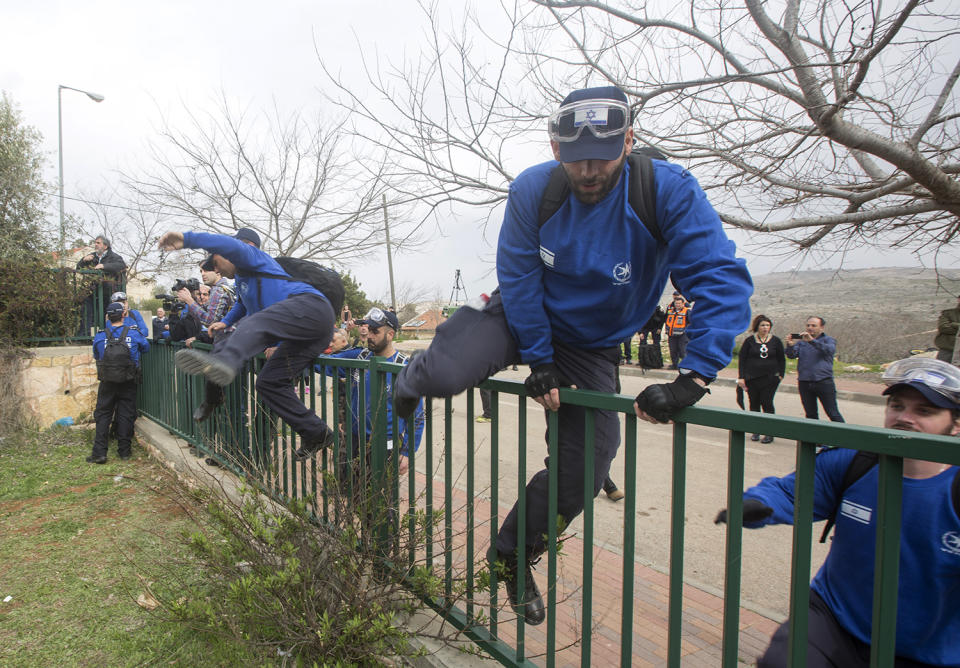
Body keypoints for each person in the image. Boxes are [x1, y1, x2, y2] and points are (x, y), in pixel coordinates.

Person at [391, 85, 753, 625]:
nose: (589, 171)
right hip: (521, 315)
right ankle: (412, 377)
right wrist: (539, 361)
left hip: (594, 343)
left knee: (586, 470)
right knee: (446, 373)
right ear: (555, 147)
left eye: (602, 158)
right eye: (575, 158)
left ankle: (513, 552)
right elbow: (519, 274)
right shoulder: (534, 188)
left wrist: (695, 375)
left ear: (628, 142)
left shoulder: (667, 189)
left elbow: (719, 277)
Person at [716, 356, 960, 667]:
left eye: (925, 411)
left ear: (956, 424)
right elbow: (789, 491)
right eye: (897, 406)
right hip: (835, 619)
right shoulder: (856, 462)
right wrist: (757, 505)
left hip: (927, 650)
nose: (904, 418)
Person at [156, 229, 337, 454]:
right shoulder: (242, 279)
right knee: (268, 382)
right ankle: (316, 432)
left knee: (252, 324)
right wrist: (225, 321)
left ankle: (226, 365)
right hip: (303, 333)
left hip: (311, 309)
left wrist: (187, 240)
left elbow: (229, 246)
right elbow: (242, 304)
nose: (216, 268)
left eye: (216, 261)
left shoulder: (253, 257)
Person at [302, 308, 424, 475]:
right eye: (369, 329)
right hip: (354, 440)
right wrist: (296, 351)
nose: (369, 335)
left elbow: (416, 416)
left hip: (385, 444)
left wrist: (407, 452)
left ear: (390, 335)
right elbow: (324, 363)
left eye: (375, 331)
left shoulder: (403, 368)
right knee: (349, 491)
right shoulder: (359, 357)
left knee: (379, 495)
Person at [88, 302, 150, 463]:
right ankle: (124, 452)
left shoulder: (100, 336)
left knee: (103, 415)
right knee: (126, 414)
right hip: (129, 380)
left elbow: (96, 355)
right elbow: (146, 347)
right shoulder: (134, 334)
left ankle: (99, 453)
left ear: (107, 316)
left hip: (107, 381)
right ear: (124, 315)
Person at [785, 316, 845, 424]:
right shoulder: (801, 342)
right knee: (810, 414)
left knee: (832, 413)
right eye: (808, 325)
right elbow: (791, 355)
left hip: (823, 382)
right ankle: (814, 440)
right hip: (805, 382)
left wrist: (812, 341)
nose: (810, 328)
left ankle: (843, 438)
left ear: (821, 328)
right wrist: (789, 345)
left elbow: (829, 350)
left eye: (813, 325)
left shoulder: (828, 340)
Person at [737, 314, 786, 443]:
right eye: (762, 325)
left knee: (767, 402)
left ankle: (769, 432)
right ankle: (756, 430)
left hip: (770, 378)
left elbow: (781, 359)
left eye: (767, 325)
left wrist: (781, 374)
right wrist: (741, 377)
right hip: (752, 378)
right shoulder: (749, 341)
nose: (765, 328)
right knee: (754, 403)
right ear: (757, 327)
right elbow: (742, 359)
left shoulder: (775, 341)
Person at [76, 236, 127, 332]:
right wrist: (83, 260)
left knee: (107, 314)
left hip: (108, 291)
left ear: (105, 246)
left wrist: (104, 266)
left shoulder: (114, 257)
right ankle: (84, 336)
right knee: (86, 311)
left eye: (98, 243)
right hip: (93, 290)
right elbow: (78, 268)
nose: (95, 244)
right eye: (95, 242)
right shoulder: (92, 256)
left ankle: (108, 333)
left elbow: (121, 265)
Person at [664, 293, 691, 369]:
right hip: (671, 334)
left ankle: (685, 366)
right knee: (673, 350)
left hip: (682, 335)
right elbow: (666, 320)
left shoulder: (686, 311)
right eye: (676, 303)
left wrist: (686, 331)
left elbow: (691, 322)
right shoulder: (671, 311)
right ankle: (674, 365)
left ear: (683, 304)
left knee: (683, 351)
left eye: (679, 303)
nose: (678, 305)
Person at [934, 295, 960, 363]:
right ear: (958, 300)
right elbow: (943, 327)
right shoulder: (948, 313)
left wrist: (953, 324)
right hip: (948, 349)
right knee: (940, 371)